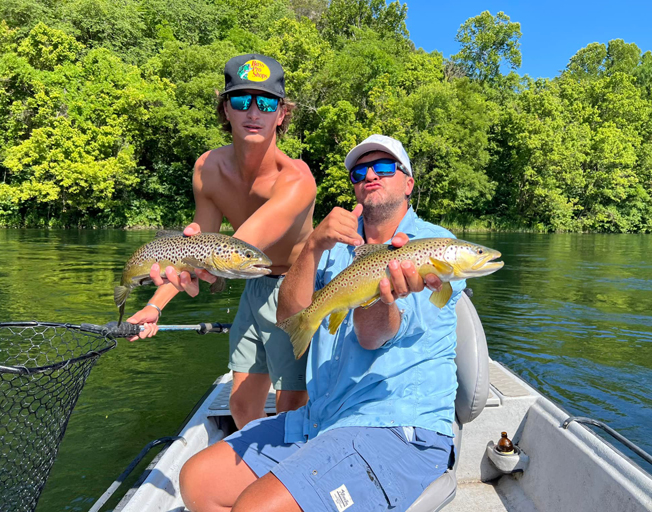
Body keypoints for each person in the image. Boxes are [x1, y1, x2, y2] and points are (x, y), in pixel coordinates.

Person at [178, 134, 466, 512]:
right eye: (359, 171)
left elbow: (374, 337)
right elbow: (288, 315)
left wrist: (379, 291)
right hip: (323, 419)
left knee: (256, 508)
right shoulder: (339, 247)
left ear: (408, 182)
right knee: (197, 482)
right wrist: (313, 245)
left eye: (383, 167)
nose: (370, 176)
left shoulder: (436, 247)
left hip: (398, 429)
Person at [127, 54, 316, 429]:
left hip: (295, 286)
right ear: (225, 110)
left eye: (266, 103)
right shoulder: (207, 169)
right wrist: (155, 304)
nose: (253, 112)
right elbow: (198, 242)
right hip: (250, 280)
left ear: (281, 114)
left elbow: (238, 246)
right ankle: (255, 467)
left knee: (291, 405)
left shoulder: (296, 179)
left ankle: (290, 477)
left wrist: (207, 267)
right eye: (241, 101)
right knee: (242, 403)